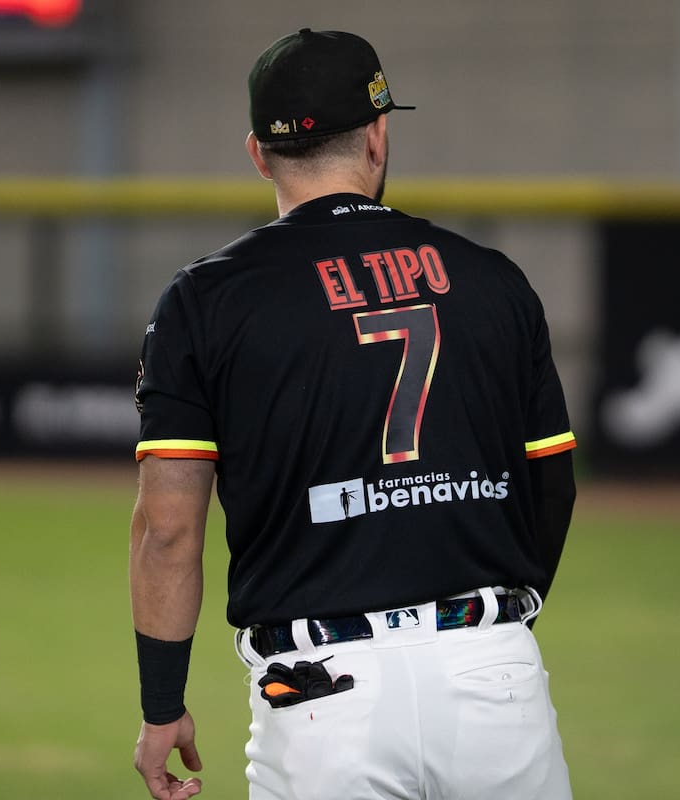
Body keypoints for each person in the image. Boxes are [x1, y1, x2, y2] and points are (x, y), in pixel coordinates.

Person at [129, 28, 578, 800]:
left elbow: (168, 528)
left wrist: (162, 703)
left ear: (258, 153)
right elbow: (553, 485)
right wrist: (495, 633)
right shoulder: (493, 279)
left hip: (320, 701)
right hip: (491, 669)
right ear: (377, 135)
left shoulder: (206, 301)